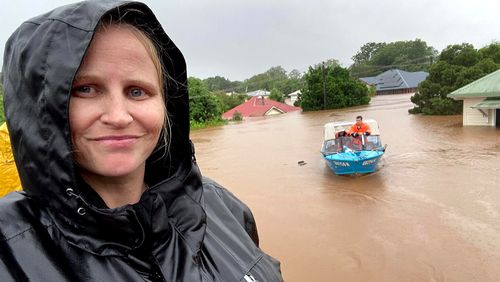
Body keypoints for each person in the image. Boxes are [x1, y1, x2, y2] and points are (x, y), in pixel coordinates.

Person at [0, 1, 283, 281]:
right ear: (38, 105)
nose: (119, 116)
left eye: (137, 91)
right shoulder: (9, 249)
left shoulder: (222, 206)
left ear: (165, 105)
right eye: (85, 89)